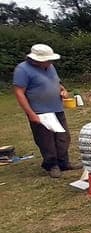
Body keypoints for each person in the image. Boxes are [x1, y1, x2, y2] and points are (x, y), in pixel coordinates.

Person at [13, 43, 81, 178]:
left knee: (63, 137)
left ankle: (64, 163)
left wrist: (63, 90)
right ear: (36, 59)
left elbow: (57, 83)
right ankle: (52, 165)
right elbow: (19, 93)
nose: (50, 62)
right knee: (46, 140)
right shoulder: (22, 70)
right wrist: (31, 114)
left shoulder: (50, 67)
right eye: (47, 60)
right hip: (40, 111)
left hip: (57, 108)